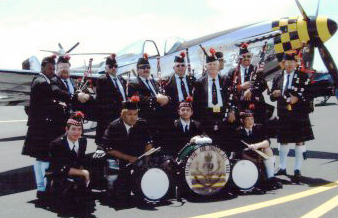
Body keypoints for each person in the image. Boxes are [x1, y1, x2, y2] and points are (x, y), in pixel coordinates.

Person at [22, 55, 61, 200]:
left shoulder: (40, 80)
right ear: (43, 68)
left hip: (39, 126)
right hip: (42, 127)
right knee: (44, 159)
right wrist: (60, 104)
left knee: (40, 159)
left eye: (53, 68)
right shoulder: (41, 82)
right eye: (50, 68)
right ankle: (43, 189)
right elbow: (48, 103)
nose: (52, 71)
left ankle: (41, 188)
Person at [270, 52, 314, 182]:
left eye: (292, 62)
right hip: (283, 112)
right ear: (283, 64)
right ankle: (282, 166)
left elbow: (309, 94)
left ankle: (297, 169)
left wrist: (298, 98)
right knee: (283, 140)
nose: (289, 64)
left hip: (299, 113)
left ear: (296, 63)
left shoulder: (303, 76)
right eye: (286, 62)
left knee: (299, 141)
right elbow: (272, 97)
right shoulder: (277, 77)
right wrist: (274, 93)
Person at [102, 96, 153, 203]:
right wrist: (128, 158)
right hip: (120, 158)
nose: (133, 118)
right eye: (129, 114)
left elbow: (148, 144)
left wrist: (146, 162)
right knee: (121, 196)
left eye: (135, 114)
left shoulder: (142, 124)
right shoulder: (113, 126)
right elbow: (108, 148)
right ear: (122, 114)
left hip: (138, 157)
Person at [48, 111, 94, 216]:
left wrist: (86, 173)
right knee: (66, 208)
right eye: (73, 129)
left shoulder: (82, 141)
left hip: (76, 173)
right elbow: (59, 167)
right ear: (66, 129)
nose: (76, 132)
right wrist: (84, 173)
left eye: (79, 130)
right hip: (59, 174)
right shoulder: (57, 144)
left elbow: (81, 159)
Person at [193, 48, 236, 150]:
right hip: (207, 118)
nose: (212, 66)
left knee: (224, 145)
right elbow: (196, 104)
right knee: (208, 147)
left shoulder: (226, 80)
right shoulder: (199, 83)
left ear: (218, 66)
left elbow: (233, 98)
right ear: (206, 66)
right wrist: (198, 121)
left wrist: (232, 111)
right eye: (210, 64)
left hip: (223, 117)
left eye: (214, 64)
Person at [235, 110, 282, 190]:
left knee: (267, 149)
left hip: (259, 155)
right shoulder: (239, 131)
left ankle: (270, 177)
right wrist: (255, 160)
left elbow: (267, 142)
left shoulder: (259, 127)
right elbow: (239, 152)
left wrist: (257, 146)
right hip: (246, 158)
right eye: (247, 119)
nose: (250, 122)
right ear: (242, 121)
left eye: (251, 119)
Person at [127, 53, 171, 136]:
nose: (146, 69)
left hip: (159, 120)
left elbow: (161, 93)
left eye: (148, 67)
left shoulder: (153, 82)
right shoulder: (133, 84)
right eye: (143, 67)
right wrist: (156, 99)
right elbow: (138, 99)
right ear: (137, 70)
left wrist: (167, 98)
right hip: (145, 120)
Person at [226, 43, 269, 125]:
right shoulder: (232, 72)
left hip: (256, 106)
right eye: (244, 57)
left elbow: (263, 85)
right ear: (239, 58)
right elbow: (227, 89)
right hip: (239, 106)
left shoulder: (256, 70)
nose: (246, 59)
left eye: (248, 56)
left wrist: (251, 91)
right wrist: (240, 87)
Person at [50, 54, 91, 137]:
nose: (64, 70)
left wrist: (86, 96)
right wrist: (76, 96)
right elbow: (59, 93)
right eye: (61, 68)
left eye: (66, 68)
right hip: (60, 120)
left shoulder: (71, 81)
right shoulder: (53, 81)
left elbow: (77, 94)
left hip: (75, 118)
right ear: (57, 69)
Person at [95, 53, 127, 146]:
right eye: (111, 66)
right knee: (108, 143)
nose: (114, 68)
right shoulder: (102, 80)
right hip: (109, 116)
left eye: (115, 66)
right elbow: (100, 100)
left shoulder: (121, 79)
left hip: (122, 115)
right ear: (106, 68)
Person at [164, 51, 196, 118]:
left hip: (191, 114)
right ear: (174, 68)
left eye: (183, 65)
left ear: (186, 67)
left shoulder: (192, 80)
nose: (180, 67)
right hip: (175, 115)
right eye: (178, 66)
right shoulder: (167, 82)